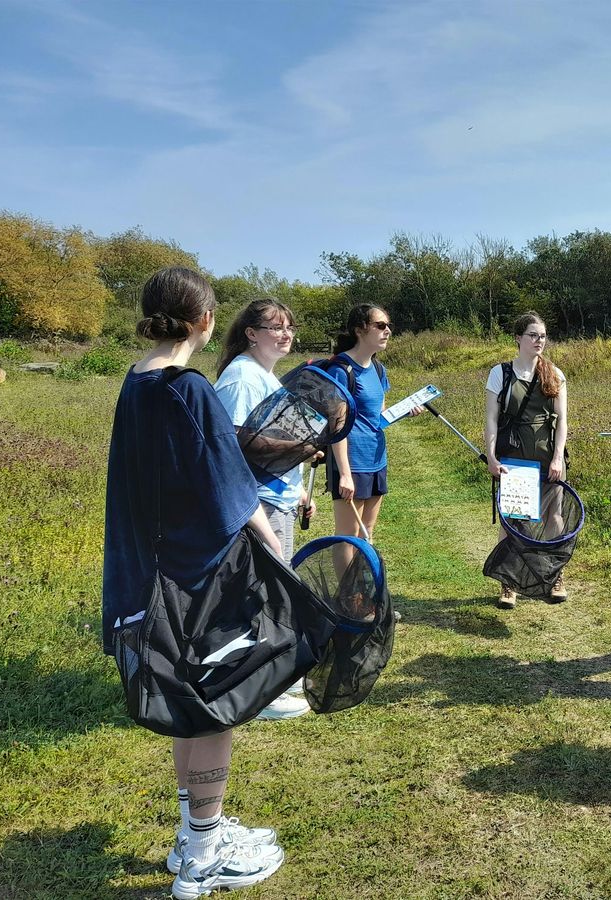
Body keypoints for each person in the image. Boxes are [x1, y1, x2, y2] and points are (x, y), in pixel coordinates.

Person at [102, 267, 285, 898]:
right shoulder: (191, 388)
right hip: (195, 574)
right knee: (213, 705)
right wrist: (276, 552)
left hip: (147, 574)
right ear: (206, 321)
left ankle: (193, 836)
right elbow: (231, 493)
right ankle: (205, 854)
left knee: (187, 703)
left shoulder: (135, 381)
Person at [214, 298, 314, 720]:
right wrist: (304, 446)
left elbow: (271, 441)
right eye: (276, 327)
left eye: (290, 327)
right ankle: (260, 690)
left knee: (272, 588)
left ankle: (265, 680)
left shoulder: (264, 376)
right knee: (262, 591)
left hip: (277, 496)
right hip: (256, 501)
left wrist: (301, 488)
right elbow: (233, 445)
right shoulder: (241, 377)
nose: (286, 334)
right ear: (251, 333)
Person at [483, 311, 570, 608]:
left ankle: (555, 577)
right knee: (512, 521)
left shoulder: (555, 374)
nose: (539, 341)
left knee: (554, 518)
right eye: (533, 335)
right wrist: (493, 458)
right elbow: (492, 420)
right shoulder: (501, 373)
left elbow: (563, 422)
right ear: (518, 339)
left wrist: (558, 458)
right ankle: (509, 584)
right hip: (515, 461)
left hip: (548, 458)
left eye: (543, 336)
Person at [324, 305, 394, 542]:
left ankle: (363, 579)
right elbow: (337, 426)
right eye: (381, 325)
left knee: (367, 531)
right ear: (359, 330)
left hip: (376, 459)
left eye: (388, 326)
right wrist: (344, 474)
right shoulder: (341, 370)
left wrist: (406, 411)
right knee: (348, 535)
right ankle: (346, 581)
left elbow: (379, 416)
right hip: (352, 464)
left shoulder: (378, 368)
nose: (388, 331)